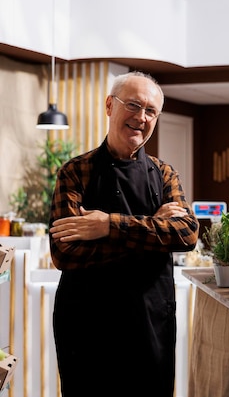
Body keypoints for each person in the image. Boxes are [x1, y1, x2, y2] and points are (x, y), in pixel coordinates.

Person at [48, 71, 199, 397]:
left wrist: (107, 226)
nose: (141, 118)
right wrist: (154, 230)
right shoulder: (76, 172)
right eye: (133, 105)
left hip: (150, 320)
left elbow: (186, 234)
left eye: (150, 111)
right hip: (86, 323)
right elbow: (65, 253)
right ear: (109, 106)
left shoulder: (163, 173)